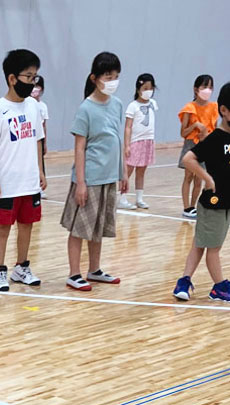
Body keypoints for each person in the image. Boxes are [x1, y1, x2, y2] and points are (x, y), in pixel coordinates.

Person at [172, 79, 230, 303]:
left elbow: (228, 167)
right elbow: (189, 159)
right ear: (224, 110)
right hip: (214, 203)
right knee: (213, 249)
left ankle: (184, 281)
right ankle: (219, 287)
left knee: (199, 244)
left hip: (228, 202)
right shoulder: (216, 138)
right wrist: (207, 178)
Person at [60, 52, 127, 292]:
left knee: (97, 227)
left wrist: (123, 172)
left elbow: (116, 140)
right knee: (80, 227)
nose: (113, 81)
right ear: (94, 78)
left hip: (109, 177)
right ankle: (74, 273)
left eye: (116, 76)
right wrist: (80, 182)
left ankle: (94, 269)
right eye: (108, 76)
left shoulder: (117, 105)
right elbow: (79, 148)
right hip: (90, 178)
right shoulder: (86, 109)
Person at [0, 49, 47, 292]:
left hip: (29, 181)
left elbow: (38, 140)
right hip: (7, 182)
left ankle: (21, 267)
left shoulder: (34, 107)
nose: (33, 83)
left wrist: (41, 172)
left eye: (35, 77)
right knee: (3, 227)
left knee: (27, 225)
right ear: (12, 78)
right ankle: (0, 271)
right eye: (29, 77)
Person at [178, 75, 218, 218]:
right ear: (196, 89)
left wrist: (208, 138)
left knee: (199, 179)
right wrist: (195, 126)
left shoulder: (214, 107)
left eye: (210, 87)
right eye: (204, 87)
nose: (207, 90)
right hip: (191, 144)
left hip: (205, 146)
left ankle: (193, 207)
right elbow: (183, 132)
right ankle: (186, 207)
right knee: (188, 176)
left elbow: (216, 130)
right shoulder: (189, 108)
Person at [119, 73, 157, 210]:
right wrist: (127, 145)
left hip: (148, 141)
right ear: (138, 89)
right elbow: (128, 127)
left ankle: (139, 198)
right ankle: (122, 198)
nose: (148, 91)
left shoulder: (153, 104)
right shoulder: (132, 106)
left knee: (141, 171)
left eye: (151, 88)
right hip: (135, 142)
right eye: (145, 87)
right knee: (128, 171)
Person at [31, 76, 49, 197]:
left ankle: (40, 186)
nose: (35, 89)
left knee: (40, 162)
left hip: (39, 138)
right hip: (29, 138)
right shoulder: (27, 104)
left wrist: (45, 142)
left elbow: (44, 125)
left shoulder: (43, 106)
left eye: (37, 87)